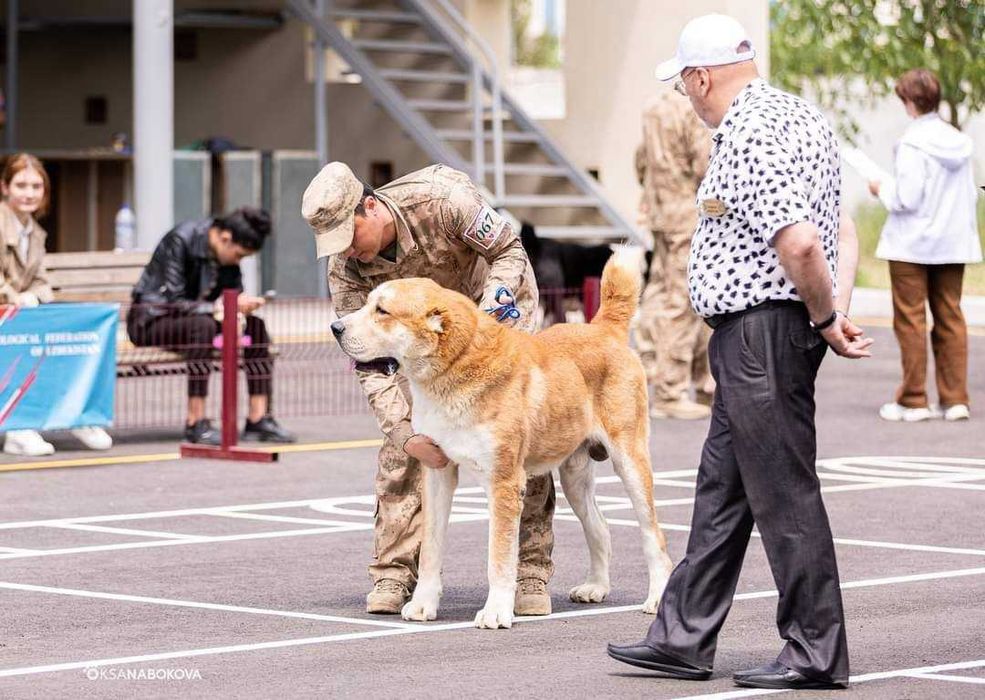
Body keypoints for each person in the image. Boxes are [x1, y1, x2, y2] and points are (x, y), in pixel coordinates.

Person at [606, 14, 872, 691]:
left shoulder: (749, 133)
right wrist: (831, 312)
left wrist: (822, 317)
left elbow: (801, 243)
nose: (684, 98)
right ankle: (681, 635)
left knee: (783, 494)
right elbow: (839, 229)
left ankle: (814, 650)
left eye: (683, 84)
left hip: (761, 333)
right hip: (766, 333)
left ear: (700, 76)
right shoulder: (800, 117)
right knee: (721, 492)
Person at [302, 162, 556, 615]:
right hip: (409, 337)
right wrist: (406, 433)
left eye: (350, 236)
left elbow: (509, 250)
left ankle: (530, 571)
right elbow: (369, 363)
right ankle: (394, 574)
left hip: (491, 310)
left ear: (372, 207)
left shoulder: (443, 199)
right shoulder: (346, 269)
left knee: (514, 440)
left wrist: (490, 307)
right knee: (404, 450)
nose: (347, 252)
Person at [126, 207, 295, 445]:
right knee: (202, 326)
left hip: (197, 320)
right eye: (238, 255)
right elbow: (173, 301)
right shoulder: (181, 239)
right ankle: (196, 422)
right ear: (225, 238)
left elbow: (231, 296)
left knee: (256, 327)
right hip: (151, 320)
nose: (238, 261)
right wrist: (219, 308)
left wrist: (241, 307)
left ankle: (258, 418)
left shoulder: (226, 256)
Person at [868, 68, 982, 423]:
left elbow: (906, 198)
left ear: (908, 101)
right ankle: (955, 399)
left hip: (911, 246)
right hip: (952, 243)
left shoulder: (912, 143)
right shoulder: (960, 143)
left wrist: (880, 188)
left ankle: (914, 399)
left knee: (911, 321)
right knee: (950, 317)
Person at [0, 153, 113, 456]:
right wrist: (15, 298)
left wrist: (35, 298)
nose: (29, 193)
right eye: (21, 185)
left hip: (18, 317)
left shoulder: (35, 232)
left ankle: (77, 415)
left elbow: (41, 280)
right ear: (5, 187)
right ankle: (17, 428)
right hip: (8, 317)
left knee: (70, 338)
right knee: (28, 342)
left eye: (36, 186)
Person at [634, 90, 714, 420]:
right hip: (687, 214)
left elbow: (640, 162)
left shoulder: (653, 106)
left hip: (660, 211)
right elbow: (705, 164)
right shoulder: (694, 112)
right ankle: (671, 389)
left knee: (657, 290)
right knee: (683, 299)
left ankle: (651, 366)